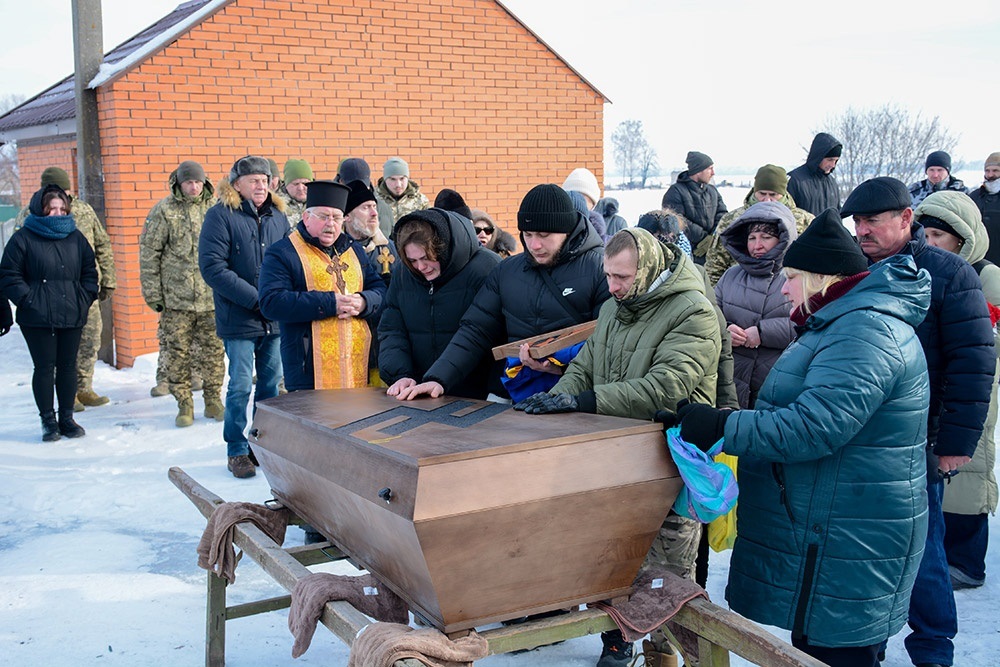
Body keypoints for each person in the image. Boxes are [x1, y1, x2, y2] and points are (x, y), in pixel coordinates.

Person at [672, 208, 932, 667]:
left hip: (849, 531)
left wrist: (722, 426)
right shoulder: (840, 323)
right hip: (835, 522)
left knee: (838, 654)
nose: (785, 287)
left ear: (818, 278)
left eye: (791, 277)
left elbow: (813, 427)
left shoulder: (863, 331)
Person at [515, 227, 722, 667]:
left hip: (669, 462)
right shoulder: (615, 307)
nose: (612, 287)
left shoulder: (694, 312)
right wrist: (560, 401)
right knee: (615, 560)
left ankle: (668, 653)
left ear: (646, 270)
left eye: (622, 277)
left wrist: (584, 402)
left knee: (668, 573)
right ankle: (618, 640)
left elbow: (669, 386)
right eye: (608, 276)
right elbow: (585, 368)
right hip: (617, 459)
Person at [843, 177, 995, 667]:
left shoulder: (949, 273)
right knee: (871, 557)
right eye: (858, 222)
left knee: (925, 555)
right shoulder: (854, 268)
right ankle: (871, 644)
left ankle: (933, 650)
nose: (862, 230)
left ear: (907, 219)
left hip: (920, 443)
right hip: (862, 441)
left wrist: (954, 444)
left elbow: (972, 364)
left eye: (872, 221)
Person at [394, 184, 610, 402]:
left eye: (544, 235)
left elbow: (611, 340)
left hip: (580, 399)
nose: (534, 244)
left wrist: (563, 369)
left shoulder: (602, 268)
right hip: (518, 393)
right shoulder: (507, 271)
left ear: (567, 230)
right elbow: (476, 330)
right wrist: (438, 378)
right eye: (528, 234)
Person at [913, 191, 1000, 591]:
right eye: (925, 235)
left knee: (970, 469)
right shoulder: (921, 272)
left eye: (939, 236)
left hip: (974, 384)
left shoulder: (987, 277)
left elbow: (986, 342)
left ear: (963, 240)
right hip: (935, 383)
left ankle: (967, 560)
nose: (930, 244)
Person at [198, 156, 290, 479]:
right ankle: (236, 448)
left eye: (264, 180)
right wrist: (257, 299)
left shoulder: (279, 216)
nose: (260, 185)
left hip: (274, 318)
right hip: (238, 317)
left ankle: (259, 444)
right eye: (253, 180)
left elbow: (291, 261)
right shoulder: (220, 216)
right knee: (239, 384)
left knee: (269, 385)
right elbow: (213, 267)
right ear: (236, 184)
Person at [258, 180, 386, 393]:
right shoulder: (283, 252)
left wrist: (364, 301)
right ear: (306, 217)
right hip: (308, 368)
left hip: (358, 363)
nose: (331, 224)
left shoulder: (354, 250)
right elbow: (271, 302)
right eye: (323, 216)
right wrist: (330, 303)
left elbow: (380, 290)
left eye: (337, 217)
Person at [0, 184, 97, 441]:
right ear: (40, 209)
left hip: (71, 312)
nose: (57, 213)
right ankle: (48, 420)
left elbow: (89, 271)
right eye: (51, 208)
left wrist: (84, 297)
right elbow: (8, 274)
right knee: (44, 368)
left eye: (61, 208)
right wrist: (28, 299)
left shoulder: (76, 238)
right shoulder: (24, 237)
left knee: (67, 367)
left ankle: (67, 418)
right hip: (37, 317)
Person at [14, 167, 117, 410]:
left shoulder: (83, 210)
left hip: (83, 290)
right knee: (59, 349)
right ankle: (66, 396)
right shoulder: (29, 215)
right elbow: (17, 259)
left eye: (65, 190)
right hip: (49, 295)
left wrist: (108, 279)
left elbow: (102, 244)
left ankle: (84, 388)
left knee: (89, 340)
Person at [378, 208, 500, 400]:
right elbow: (392, 328)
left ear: (442, 249)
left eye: (426, 258)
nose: (420, 267)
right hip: (421, 391)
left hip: (477, 392)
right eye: (412, 260)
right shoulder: (404, 273)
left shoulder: (485, 268)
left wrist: (439, 378)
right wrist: (400, 374)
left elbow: (477, 331)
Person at [139, 160, 225, 428]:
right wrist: (153, 293)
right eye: (189, 182)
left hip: (212, 298)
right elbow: (149, 253)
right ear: (179, 183)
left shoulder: (216, 209)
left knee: (214, 352)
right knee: (178, 354)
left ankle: (213, 400)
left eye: (198, 182)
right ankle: (184, 404)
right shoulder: (164, 210)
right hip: (177, 299)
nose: (194, 186)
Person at [714, 201, 797, 408]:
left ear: (784, 238)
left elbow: (811, 321)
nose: (756, 245)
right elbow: (708, 316)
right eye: (752, 238)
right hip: (732, 381)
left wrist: (763, 332)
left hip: (779, 383)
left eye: (766, 237)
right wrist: (725, 332)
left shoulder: (798, 276)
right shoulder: (730, 276)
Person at [704, 164, 815, 285]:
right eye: (762, 194)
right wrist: (717, 298)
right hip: (739, 291)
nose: (767, 200)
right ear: (754, 191)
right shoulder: (732, 220)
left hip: (786, 292)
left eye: (773, 195)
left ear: (783, 194)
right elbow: (715, 265)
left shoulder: (804, 221)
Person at [661, 151, 727, 261]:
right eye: (710, 168)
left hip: (712, 251)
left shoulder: (713, 191)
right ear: (698, 170)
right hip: (687, 253)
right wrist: (704, 238)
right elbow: (676, 220)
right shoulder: (676, 192)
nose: (713, 173)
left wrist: (713, 237)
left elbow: (723, 215)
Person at [335, 157, 395, 239]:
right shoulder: (331, 207)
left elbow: (390, 239)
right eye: (353, 185)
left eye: (363, 184)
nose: (359, 189)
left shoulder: (384, 208)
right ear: (341, 182)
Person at [786, 132, 843, 215]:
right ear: (819, 157)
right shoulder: (794, 180)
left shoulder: (832, 183)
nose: (833, 165)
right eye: (830, 160)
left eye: (836, 161)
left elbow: (838, 214)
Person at [375, 157, 430, 227]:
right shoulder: (374, 200)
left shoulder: (421, 201)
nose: (398, 184)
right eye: (393, 179)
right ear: (385, 179)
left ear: (407, 178)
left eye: (402, 179)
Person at [969, 152, 1000, 264]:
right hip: (981, 259)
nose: (990, 175)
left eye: (995, 171)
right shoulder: (974, 196)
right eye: (987, 171)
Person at [563, 167, 608, 240]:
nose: (577, 202)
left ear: (593, 204)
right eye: (571, 197)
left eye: (583, 199)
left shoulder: (604, 243)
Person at [279, 158, 313, 227]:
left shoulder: (320, 204)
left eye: (305, 183)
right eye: (296, 184)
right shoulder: (277, 208)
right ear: (286, 185)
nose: (300, 188)